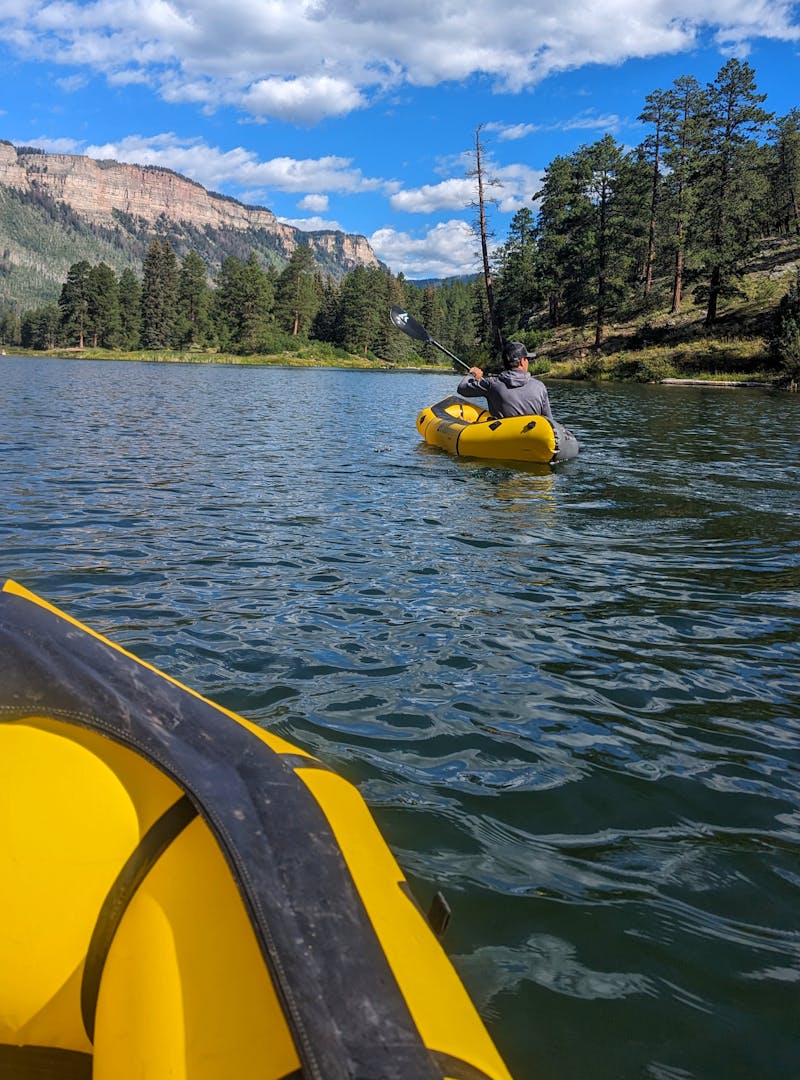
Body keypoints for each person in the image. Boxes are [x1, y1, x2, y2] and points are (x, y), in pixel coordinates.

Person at [457, 341, 554, 421]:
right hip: (531, 439)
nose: (528, 362)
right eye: (527, 359)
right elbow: (549, 421)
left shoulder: (492, 384)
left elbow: (462, 388)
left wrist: (472, 375)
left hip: (501, 439)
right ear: (521, 362)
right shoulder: (539, 387)